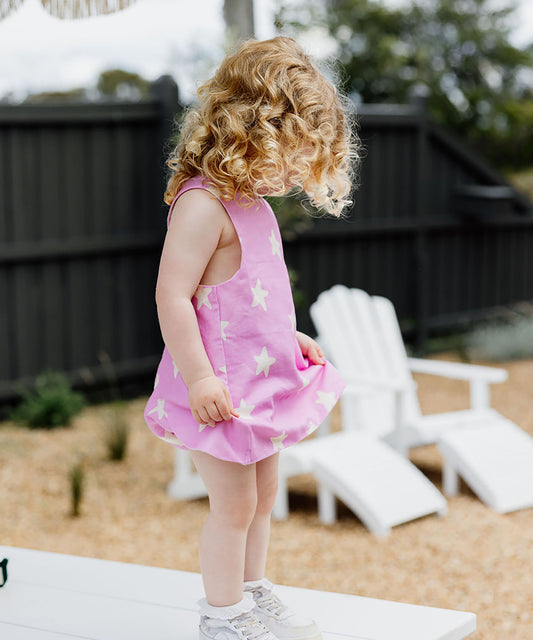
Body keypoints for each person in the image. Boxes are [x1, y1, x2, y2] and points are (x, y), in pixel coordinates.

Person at [144, 36, 359, 640]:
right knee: (233, 505)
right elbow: (173, 296)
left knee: (263, 498)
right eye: (289, 155)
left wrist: (291, 338)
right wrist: (200, 378)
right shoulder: (202, 205)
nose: (292, 173)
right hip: (218, 388)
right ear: (251, 131)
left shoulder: (252, 205)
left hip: (261, 378)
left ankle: (253, 592)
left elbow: (246, 296)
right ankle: (222, 615)